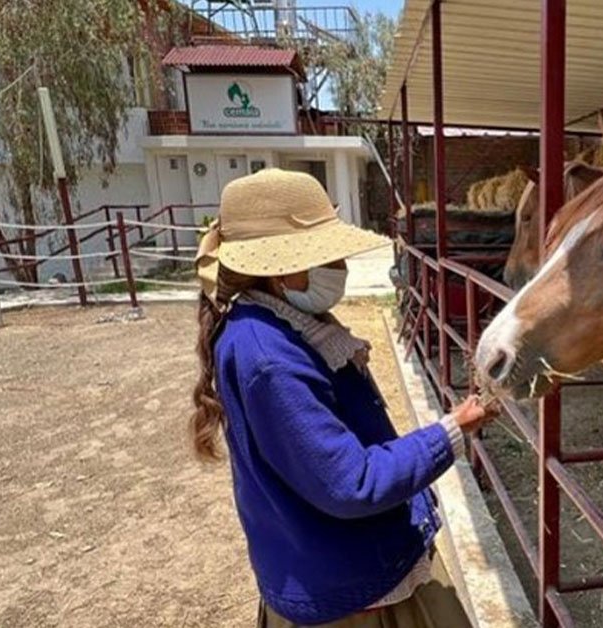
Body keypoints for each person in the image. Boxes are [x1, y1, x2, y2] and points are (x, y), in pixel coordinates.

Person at [190, 168, 494, 627]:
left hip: (339, 560)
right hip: (352, 587)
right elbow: (352, 482)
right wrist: (453, 430)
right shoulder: (269, 357)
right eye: (326, 257)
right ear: (281, 271)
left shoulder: (277, 326)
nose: (340, 269)